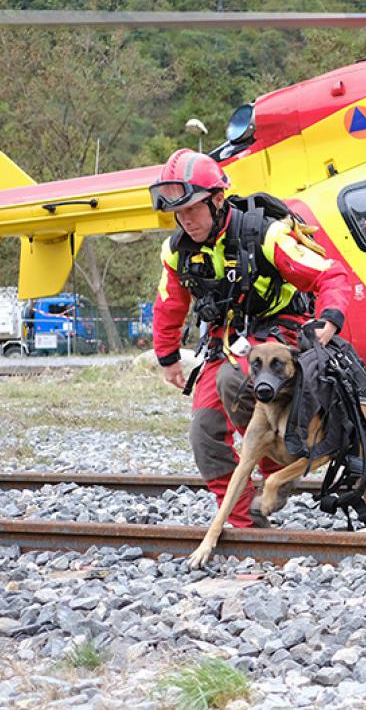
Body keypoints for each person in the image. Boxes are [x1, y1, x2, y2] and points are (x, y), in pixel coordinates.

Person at [150, 149, 350, 527]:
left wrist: (330, 319)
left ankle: (282, 464)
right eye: (179, 213)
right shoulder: (176, 251)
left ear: (218, 200)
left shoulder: (268, 234)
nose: (186, 220)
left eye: (193, 209)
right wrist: (167, 357)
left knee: (232, 379)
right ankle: (246, 522)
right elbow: (168, 304)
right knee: (203, 433)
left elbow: (329, 275)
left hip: (280, 337)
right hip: (226, 342)